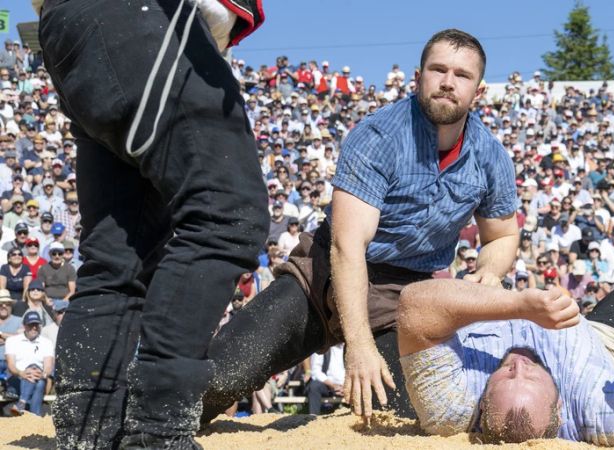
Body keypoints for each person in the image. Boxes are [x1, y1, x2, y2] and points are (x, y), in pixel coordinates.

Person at [201, 29, 518, 425]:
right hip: (321, 279)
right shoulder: (378, 136)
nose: (448, 82)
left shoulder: (491, 156)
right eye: (438, 70)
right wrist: (359, 344)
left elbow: (502, 235)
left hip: (403, 298)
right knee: (212, 383)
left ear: (479, 91)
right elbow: (347, 247)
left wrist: (489, 271)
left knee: (410, 422)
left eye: (461, 75)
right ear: (418, 78)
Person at [37, 0, 268, 446]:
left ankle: (90, 427)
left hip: (75, 26)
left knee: (121, 252)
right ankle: (157, 430)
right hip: (144, 19)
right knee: (227, 212)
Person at [397, 278, 614, 444]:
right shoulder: (591, 406)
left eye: (505, 376)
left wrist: (514, 304)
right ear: (561, 405)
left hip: (496, 311)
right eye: (529, 378)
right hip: (594, 346)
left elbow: (414, 305)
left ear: (482, 407)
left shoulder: (452, 409)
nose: (517, 365)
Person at [5, 311, 55, 416]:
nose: (34, 328)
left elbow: (48, 367)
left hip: (39, 377)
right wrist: (22, 373)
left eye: (36, 324)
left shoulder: (46, 342)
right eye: (31, 325)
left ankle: (22, 403)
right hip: (17, 378)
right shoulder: (12, 341)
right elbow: (11, 366)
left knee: (38, 378)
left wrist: (43, 374)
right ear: (24, 326)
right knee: (38, 382)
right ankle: (34, 417)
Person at [306, 344, 345, 415]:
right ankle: (313, 417)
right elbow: (316, 371)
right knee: (314, 386)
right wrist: (333, 385)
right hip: (327, 386)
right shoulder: (322, 347)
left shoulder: (351, 348)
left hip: (346, 386)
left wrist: (346, 386)